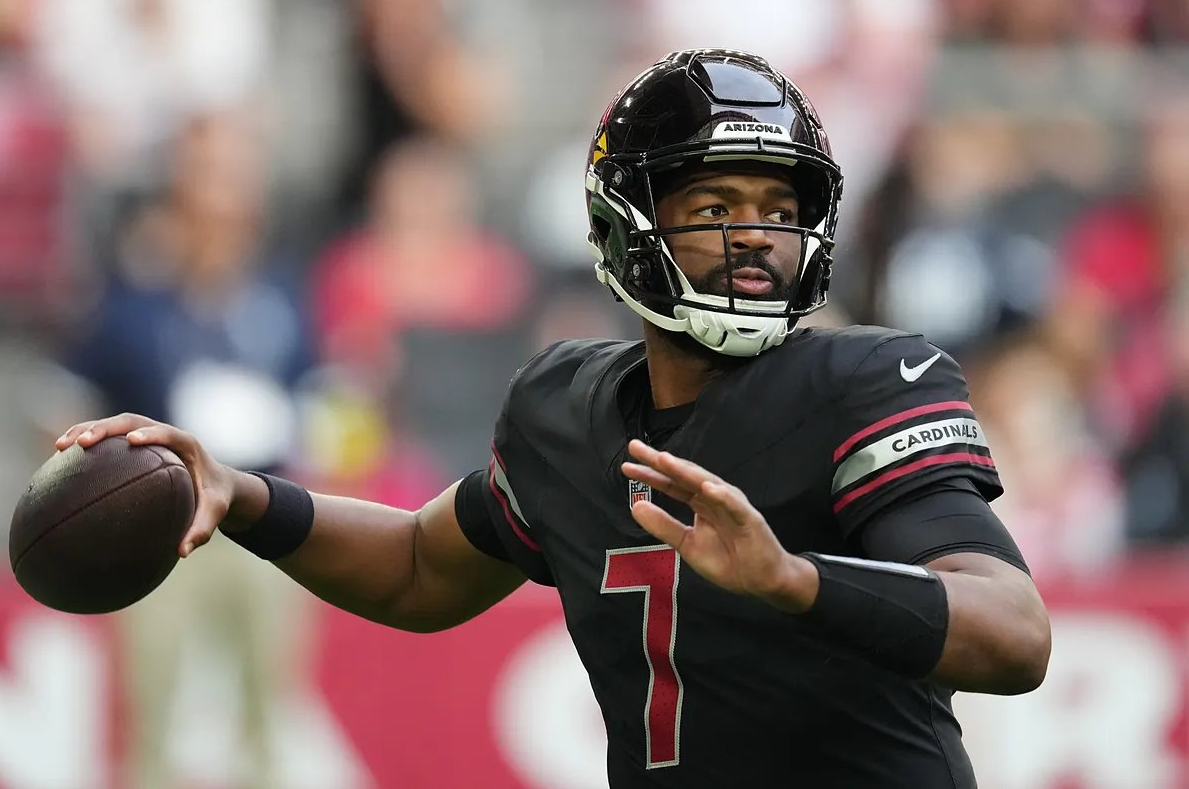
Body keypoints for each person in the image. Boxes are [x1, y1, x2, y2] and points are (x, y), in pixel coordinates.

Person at [57, 49, 1051, 788]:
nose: (755, 236)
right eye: (712, 208)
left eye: (776, 206)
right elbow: (418, 564)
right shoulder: (565, 410)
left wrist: (794, 579)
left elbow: (1013, 629)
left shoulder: (872, 377)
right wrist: (241, 495)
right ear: (628, 222)